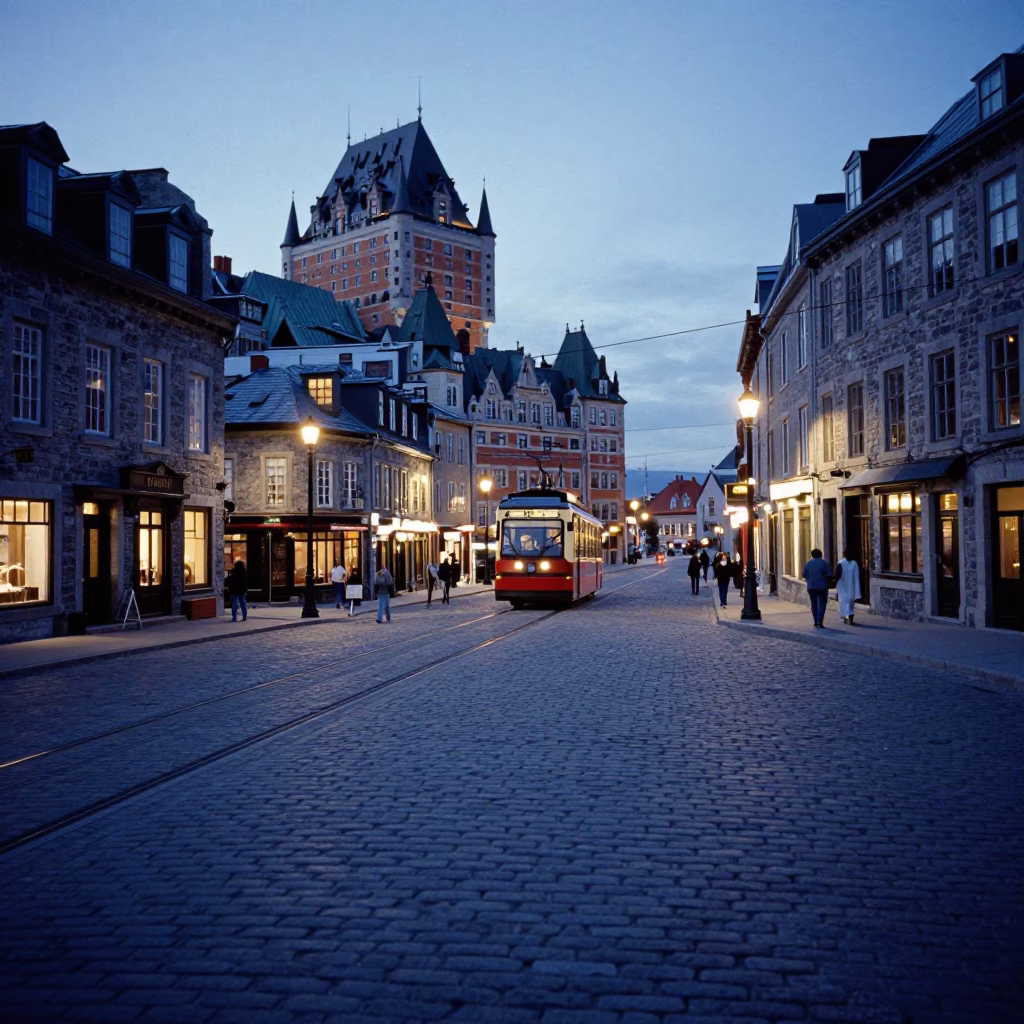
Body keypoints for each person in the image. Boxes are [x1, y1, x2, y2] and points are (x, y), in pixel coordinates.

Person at [802, 547, 831, 628]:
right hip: (822, 587)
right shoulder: (824, 563)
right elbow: (829, 574)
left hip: (811, 586)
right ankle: (820, 621)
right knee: (822, 604)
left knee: (814, 604)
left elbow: (804, 574)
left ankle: (815, 621)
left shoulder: (808, 563)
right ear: (820, 554)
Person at [834, 548, 862, 624]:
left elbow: (836, 575)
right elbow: (857, 576)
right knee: (850, 601)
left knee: (844, 600)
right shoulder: (854, 563)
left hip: (843, 585)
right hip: (851, 585)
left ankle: (847, 616)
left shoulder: (841, 563)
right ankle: (850, 615)